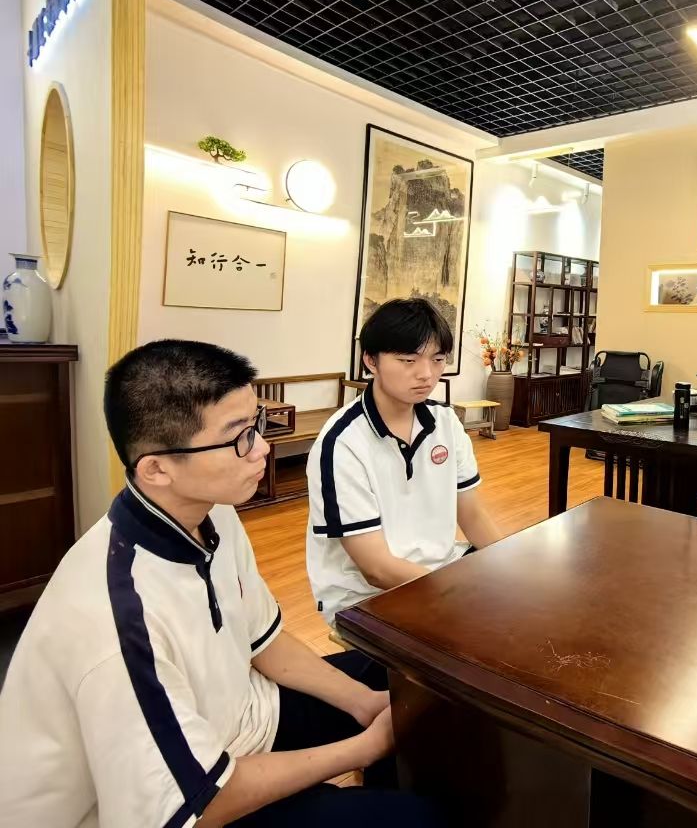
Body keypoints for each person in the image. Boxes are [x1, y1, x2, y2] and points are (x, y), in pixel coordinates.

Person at [0, 339, 438, 828]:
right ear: (156, 468)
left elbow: (263, 640)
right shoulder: (116, 619)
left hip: (240, 722)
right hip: (185, 803)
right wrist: (365, 746)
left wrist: (366, 704)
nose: (263, 447)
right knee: (416, 817)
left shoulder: (211, 513)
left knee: (399, 678)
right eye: (240, 438)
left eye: (256, 424)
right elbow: (203, 803)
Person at [307, 298, 503, 625]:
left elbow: (471, 514)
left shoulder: (445, 423)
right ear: (371, 360)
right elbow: (376, 568)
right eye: (408, 360)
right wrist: (457, 596)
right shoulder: (342, 443)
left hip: (441, 572)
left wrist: (508, 567)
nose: (426, 374)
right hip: (366, 595)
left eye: (437, 360)